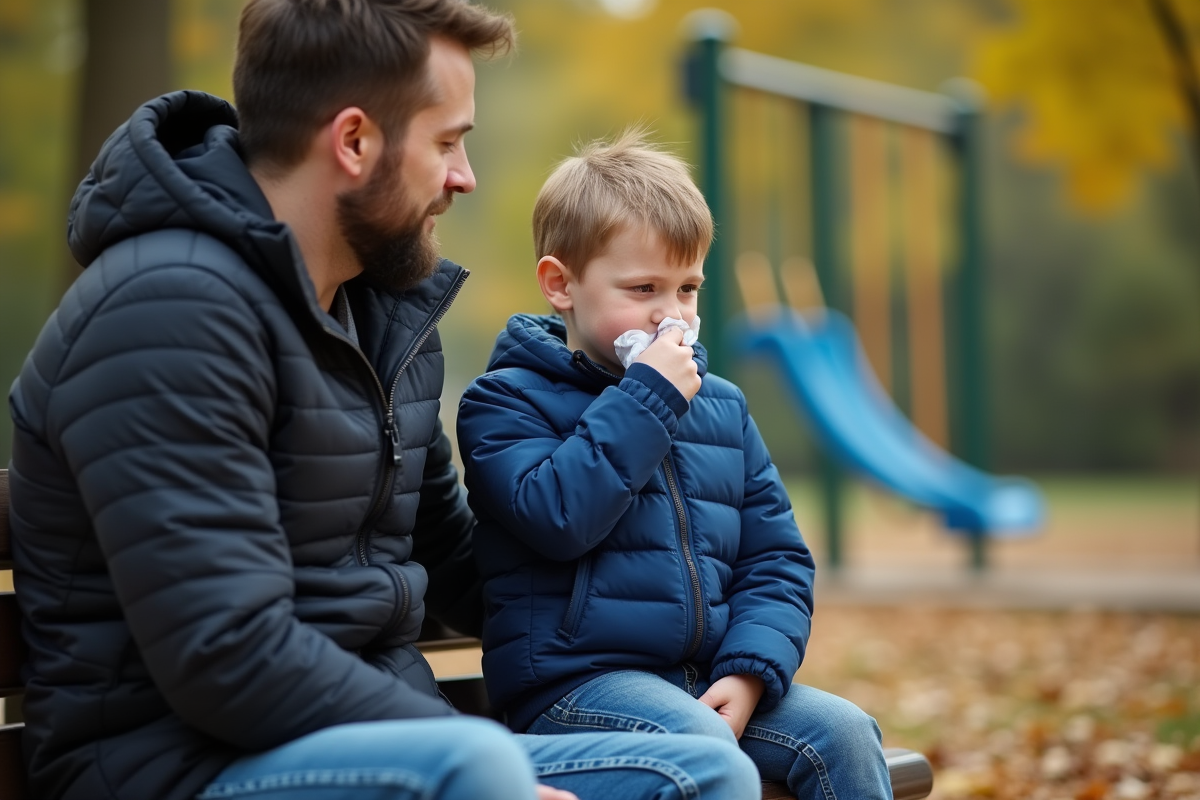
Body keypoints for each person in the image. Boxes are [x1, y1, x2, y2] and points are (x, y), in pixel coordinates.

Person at [5, 2, 761, 799]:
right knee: (481, 766)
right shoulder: (165, 312)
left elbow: (469, 569)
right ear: (356, 141)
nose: (465, 176)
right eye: (447, 142)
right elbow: (223, 653)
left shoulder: (378, 318)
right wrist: (460, 757)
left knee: (702, 764)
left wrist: (683, 605)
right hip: (181, 769)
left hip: (396, 744)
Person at [456, 130, 894, 800]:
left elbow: (775, 558)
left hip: (703, 681)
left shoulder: (720, 407)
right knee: (703, 746)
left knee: (846, 732)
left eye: (687, 289)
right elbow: (557, 517)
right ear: (560, 284)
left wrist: (750, 672)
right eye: (643, 288)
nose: (672, 316)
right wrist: (648, 400)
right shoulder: (505, 401)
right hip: (573, 694)